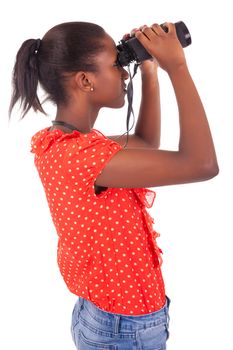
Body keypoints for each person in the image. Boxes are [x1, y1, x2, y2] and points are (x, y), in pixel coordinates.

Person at [9, 21, 219, 349]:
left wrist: (148, 66)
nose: (124, 73)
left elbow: (145, 143)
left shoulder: (62, 145)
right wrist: (176, 67)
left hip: (106, 317)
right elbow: (202, 164)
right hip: (123, 329)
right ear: (85, 80)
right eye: (118, 64)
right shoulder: (82, 157)